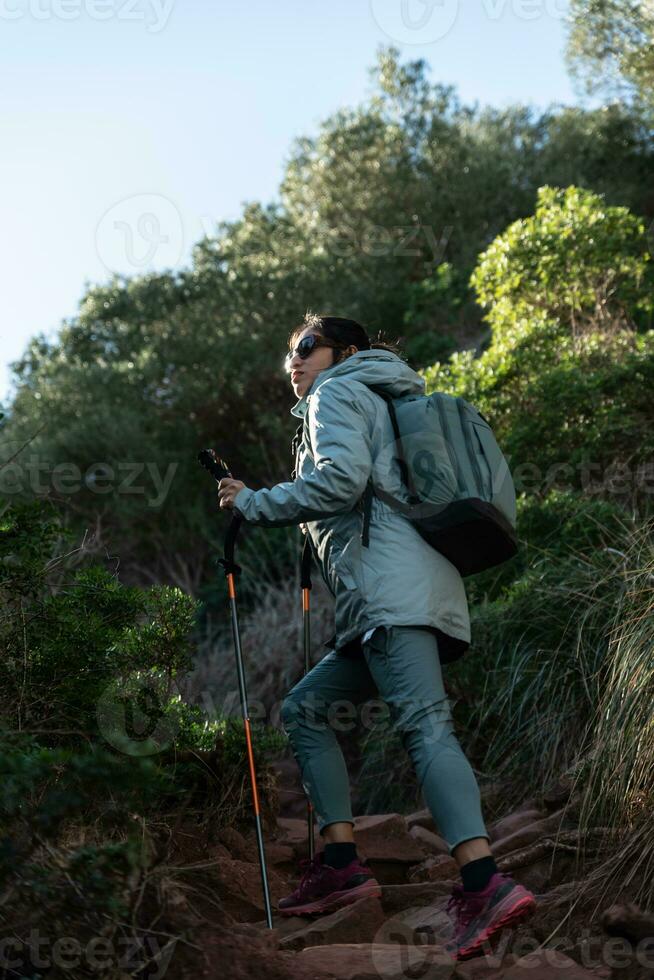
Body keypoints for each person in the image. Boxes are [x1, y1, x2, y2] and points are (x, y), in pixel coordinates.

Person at [217, 312, 536, 960]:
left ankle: (483, 883)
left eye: (306, 347)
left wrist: (253, 502)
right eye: (289, 355)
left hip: (395, 600)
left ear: (346, 352)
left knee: (425, 728)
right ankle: (342, 864)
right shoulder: (377, 396)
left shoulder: (337, 393)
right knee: (305, 708)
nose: (294, 363)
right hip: (401, 597)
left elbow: (340, 482)